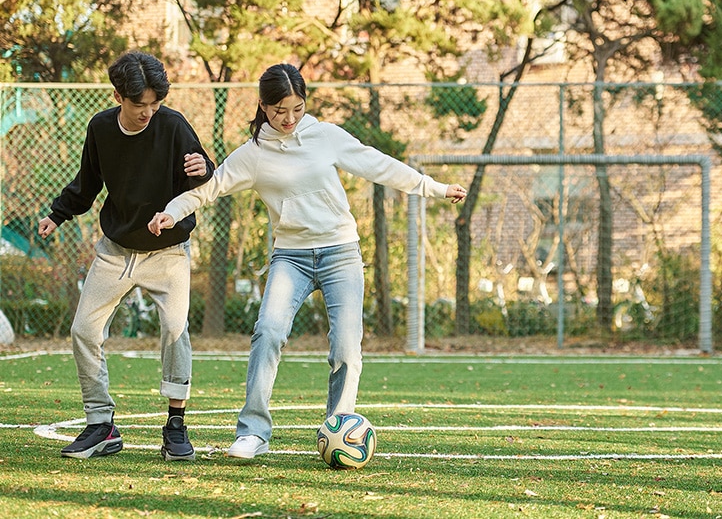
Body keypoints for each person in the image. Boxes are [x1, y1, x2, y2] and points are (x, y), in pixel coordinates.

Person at [148, 63, 467, 459]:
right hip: (291, 258)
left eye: (297, 108)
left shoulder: (324, 135)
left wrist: (433, 188)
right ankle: (253, 433)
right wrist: (171, 212)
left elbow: (377, 164)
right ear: (263, 106)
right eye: (280, 110)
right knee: (268, 332)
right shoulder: (253, 155)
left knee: (347, 348)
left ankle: (340, 427)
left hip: (340, 253)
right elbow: (207, 190)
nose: (289, 118)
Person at [39, 51, 215, 461]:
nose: (148, 113)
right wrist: (57, 215)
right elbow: (87, 183)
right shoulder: (100, 128)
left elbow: (201, 178)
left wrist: (203, 167)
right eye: (140, 105)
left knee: (175, 330)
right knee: (83, 330)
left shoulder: (172, 125)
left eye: (155, 104)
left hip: (168, 253)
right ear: (119, 95)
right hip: (115, 252)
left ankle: (175, 426)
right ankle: (101, 425)